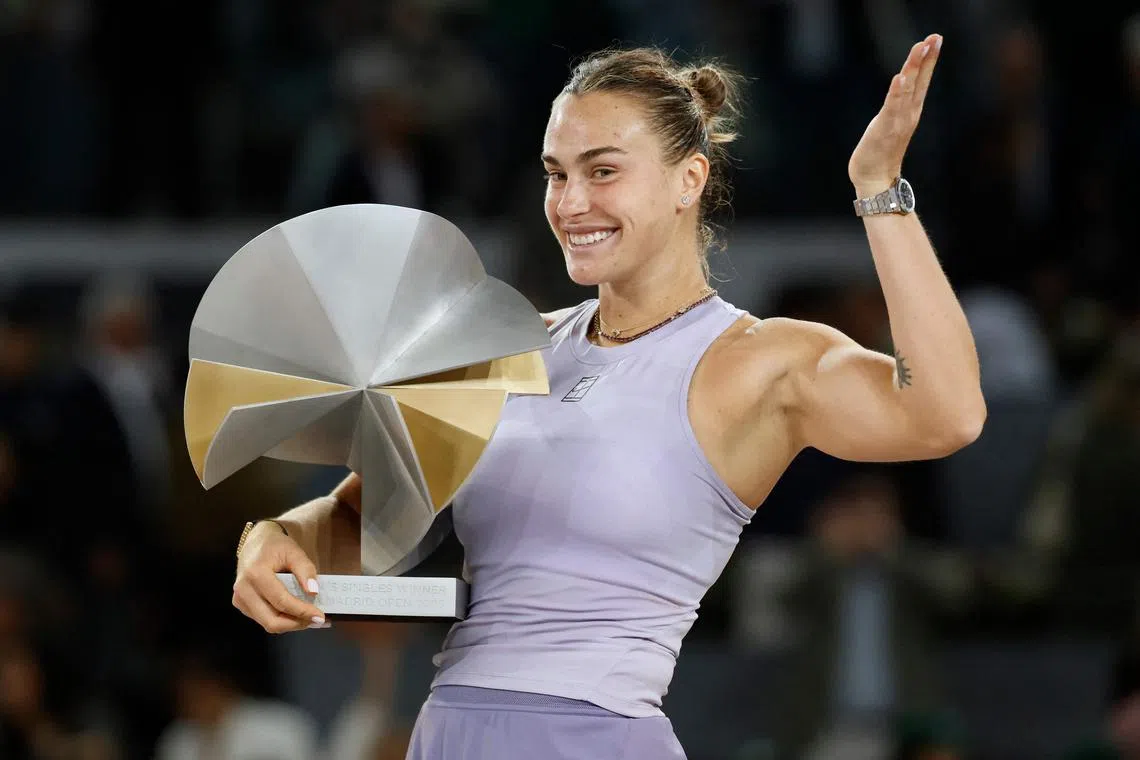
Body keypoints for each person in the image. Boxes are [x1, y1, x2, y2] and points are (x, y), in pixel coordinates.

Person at [232, 34, 984, 759]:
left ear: (689, 180)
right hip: (451, 730)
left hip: (595, 736)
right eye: (557, 173)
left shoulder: (760, 361)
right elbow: (363, 512)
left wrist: (880, 190)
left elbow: (947, 414)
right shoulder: (504, 347)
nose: (570, 202)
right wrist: (275, 536)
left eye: (602, 171)